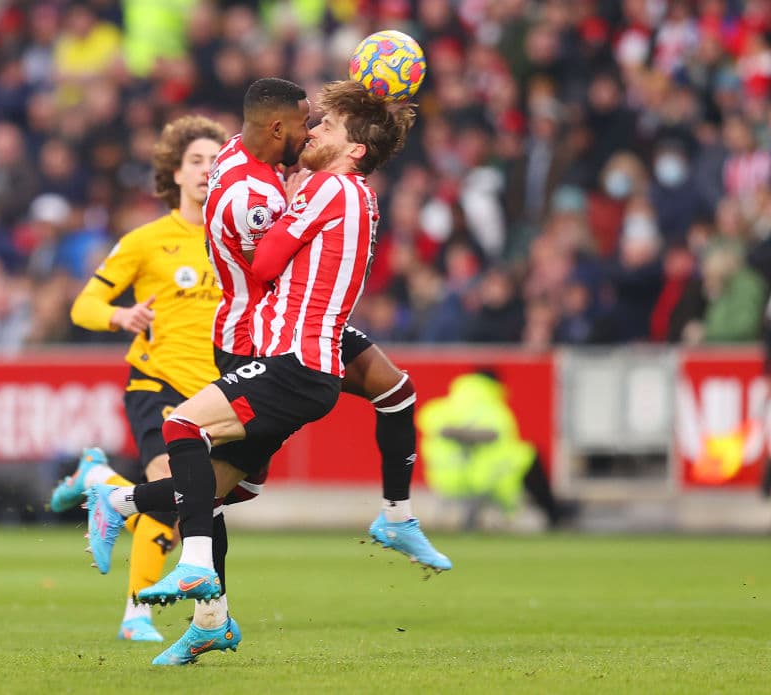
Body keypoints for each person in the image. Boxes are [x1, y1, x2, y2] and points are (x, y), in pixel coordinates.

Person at [86, 80, 429, 666]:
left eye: (324, 125)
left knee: (184, 431)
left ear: (353, 149)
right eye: (307, 122)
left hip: (282, 353)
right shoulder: (334, 190)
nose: (312, 131)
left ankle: (180, 550)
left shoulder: (311, 184)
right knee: (223, 485)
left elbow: (267, 262)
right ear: (274, 129)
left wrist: (293, 199)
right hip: (290, 350)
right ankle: (205, 614)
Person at [55, 115, 266, 641]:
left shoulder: (242, 240)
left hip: (217, 392)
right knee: (177, 491)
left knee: (193, 501)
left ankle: (100, 483)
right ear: (175, 172)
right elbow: (84, 305)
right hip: (159, 384)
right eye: (195, 161)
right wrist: (120, 316)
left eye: (216, 161)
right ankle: (137, 616)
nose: (206, 169)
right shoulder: (146, 241)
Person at [417, 369, 576, 529]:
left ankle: (552, 511)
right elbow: (493, 435)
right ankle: (552, 512)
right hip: (484, 477)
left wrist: (458, 435)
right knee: (528, 455)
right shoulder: (491, 407)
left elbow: (432, 425)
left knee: (523, 456)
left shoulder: (441, 406)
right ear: (495, 384)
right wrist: (471, 436)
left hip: (445, 478)